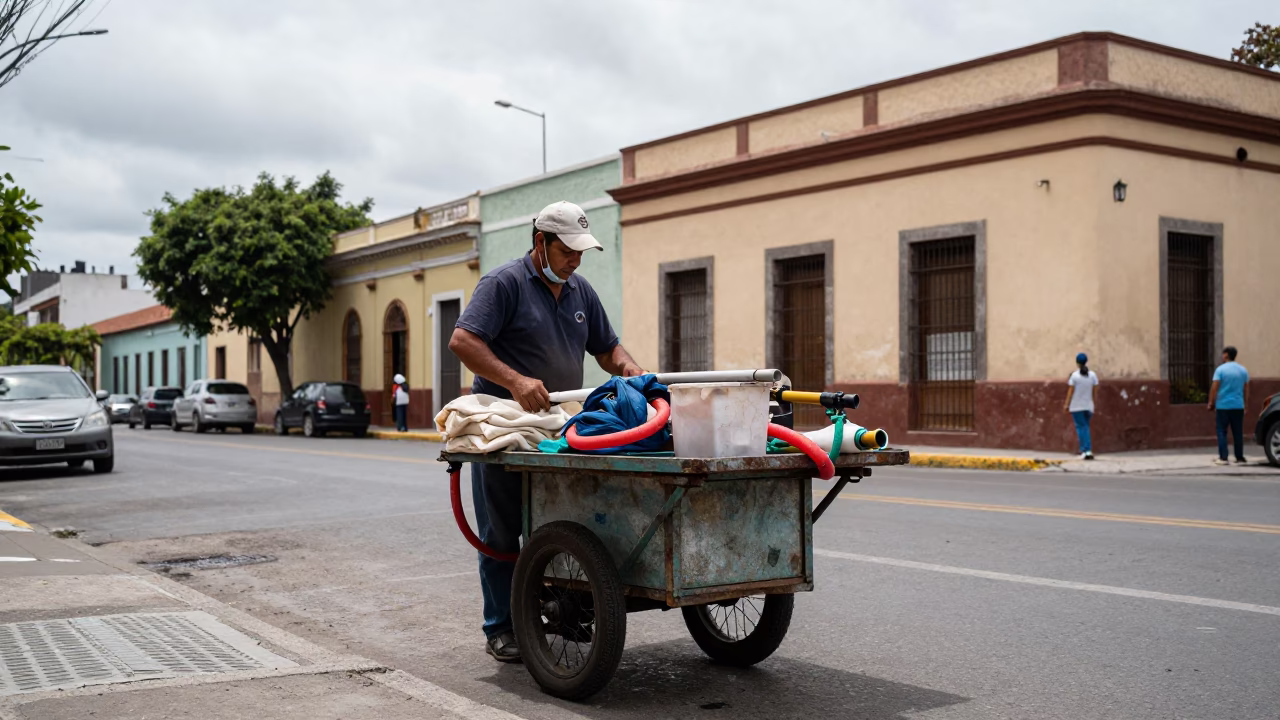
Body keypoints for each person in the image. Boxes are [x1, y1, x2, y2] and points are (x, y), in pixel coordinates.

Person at [448, 200, 645, 663]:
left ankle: (563, 610)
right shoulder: (504, 284)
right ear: (541, 243)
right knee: (502, 531)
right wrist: (514, 381)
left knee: (564, 521)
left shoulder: (581, 292)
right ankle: (501, 626)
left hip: (559, 423)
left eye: (581, 252)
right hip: (507, 424)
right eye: (567, 251)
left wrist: (631, 369)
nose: (575, 260)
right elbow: (463, 340)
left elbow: (607, 348)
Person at [1208, 346, 1249, 466]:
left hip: (1223, 406)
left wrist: (1211, 402)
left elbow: (1214, 387)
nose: (1222, 356)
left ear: (1226, 355)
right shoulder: (1243, 370)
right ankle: (1240, 457)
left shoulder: (1220, 370)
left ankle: (1223, 457)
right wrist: (1246, 405)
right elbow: (1246, 389)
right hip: (1238, 405)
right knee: (1238, 432)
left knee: (1221, 431)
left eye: (1223, 354)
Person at [1063, 352, 1098, 460]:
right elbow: (1095, 391)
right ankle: (1086, 450)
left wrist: (1066, 404)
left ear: (1077, 363)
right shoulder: (1093, 375)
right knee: (1085, 427)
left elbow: (1070, 391)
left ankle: (1086, 450)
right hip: (1088, 406)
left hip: (1077, 406)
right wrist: (1093, 403)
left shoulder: (1075, 376)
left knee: (1081, 428)